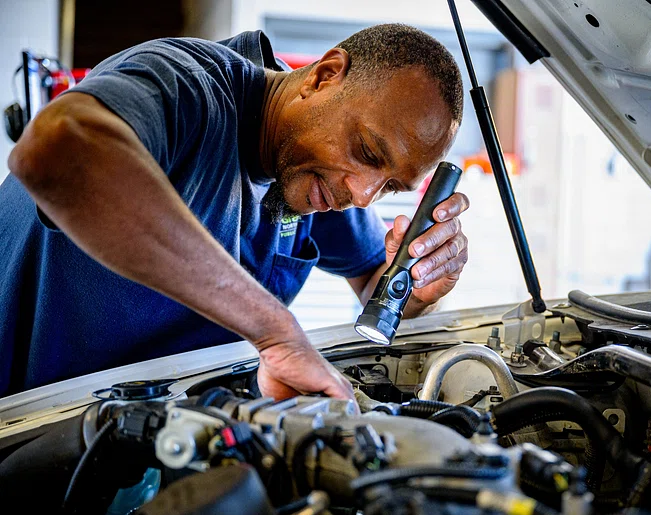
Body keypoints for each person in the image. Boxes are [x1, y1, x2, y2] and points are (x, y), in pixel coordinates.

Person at [0, 24, 470, 400]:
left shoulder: (321, 171)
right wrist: (275, 330)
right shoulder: (185, 85)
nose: (363, 195)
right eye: (368, 151)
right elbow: (51, 153)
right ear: (324, 77)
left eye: (391, 186)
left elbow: (375, 280)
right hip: (28, 430)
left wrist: (416, 288)